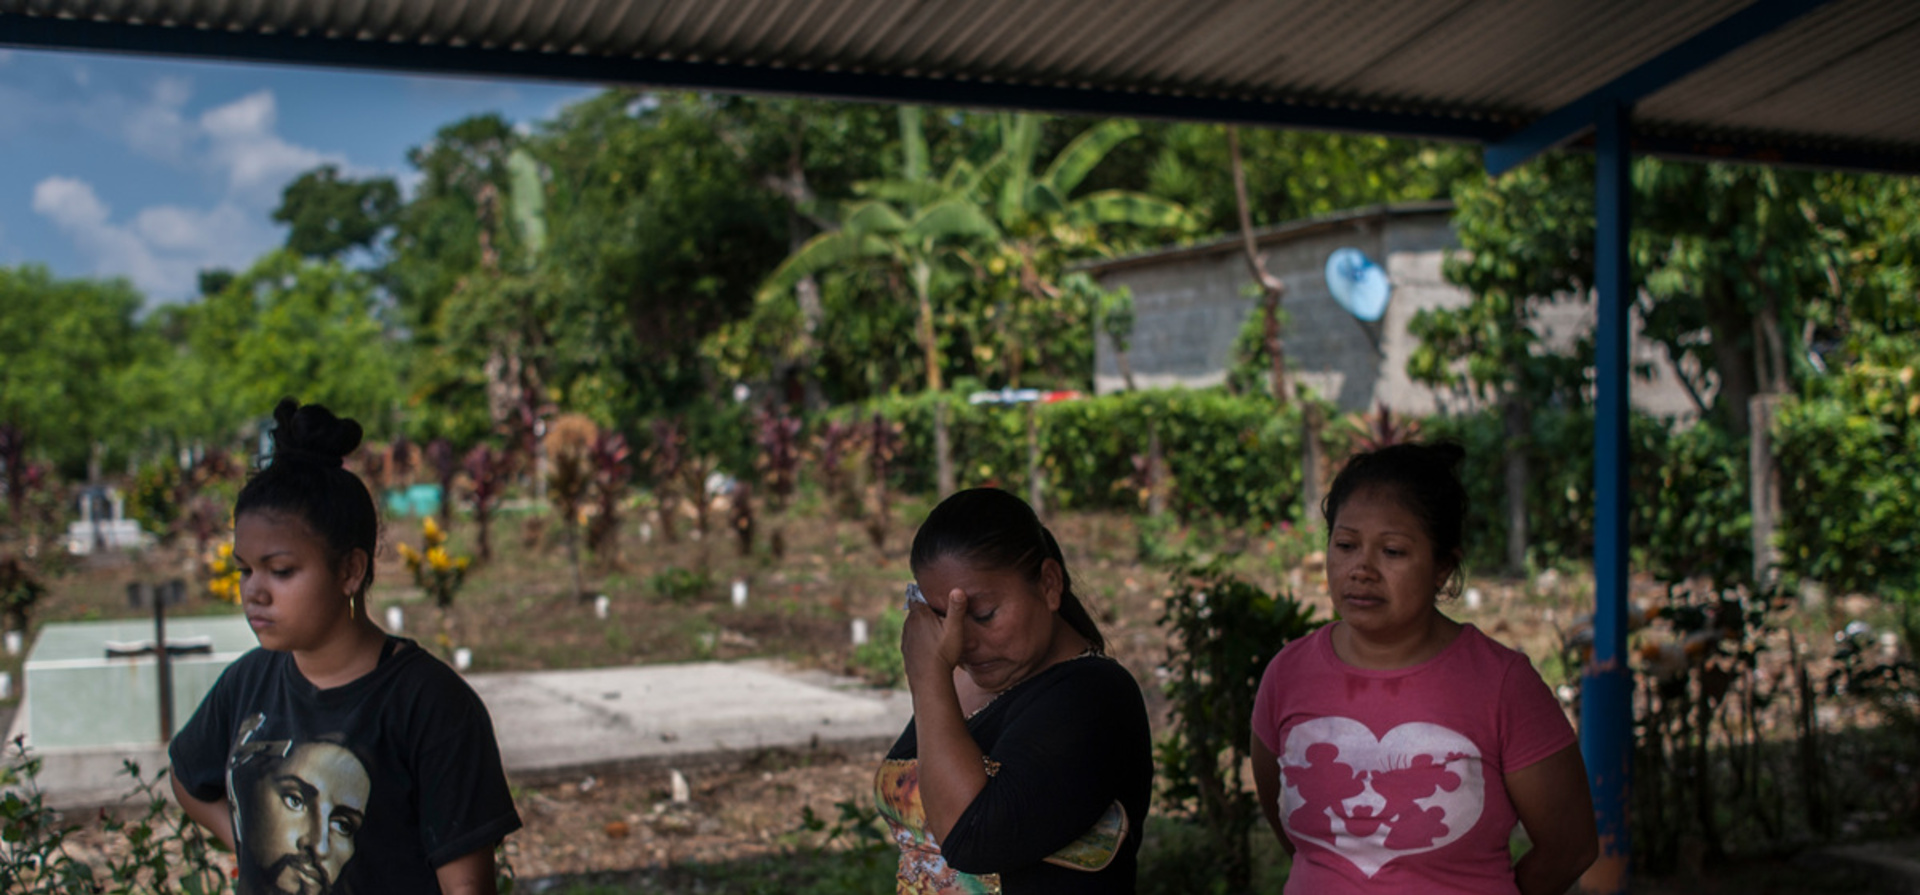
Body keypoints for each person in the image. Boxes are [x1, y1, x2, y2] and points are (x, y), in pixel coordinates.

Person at [171, 399, 520, 895]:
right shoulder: (248, 681)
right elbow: (187, 778)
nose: (254, 592)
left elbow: (466, 888)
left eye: (281, 570)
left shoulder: (429, 704)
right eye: (245, 569)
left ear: (350, 570)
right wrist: (252, 844)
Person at [1250, 442, 1598, 895]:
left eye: (1392, 551)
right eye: (1346, 545)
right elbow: (1291, 831)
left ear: (1442, 568)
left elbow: (1570, 848)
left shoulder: (1502, 685)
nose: (1361, 569)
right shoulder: (1288, 674)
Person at [877, 487, 1152, 894]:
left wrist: (928, 677)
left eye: (984, 614)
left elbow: (973, 838)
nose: (962, 642)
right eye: (942, 619)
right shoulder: (961, 684)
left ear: (1049, 584)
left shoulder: (1093, 696)